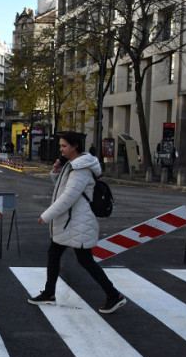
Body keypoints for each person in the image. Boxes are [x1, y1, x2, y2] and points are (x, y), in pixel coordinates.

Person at [28, 131, 127, 314]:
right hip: (70, 221)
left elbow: (68, 196)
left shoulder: (80, 168)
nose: (61, 149)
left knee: (85, 260)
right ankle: (49, 293)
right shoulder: (73, 165)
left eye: (64, 146)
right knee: (55, 254)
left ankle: (114, 295)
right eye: (61, 146)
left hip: (78, 222)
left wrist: (47, 215)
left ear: (75, 146)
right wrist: (56, 172)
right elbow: (63, 187)